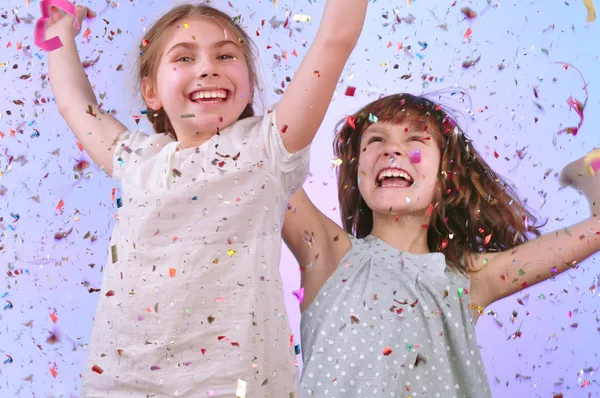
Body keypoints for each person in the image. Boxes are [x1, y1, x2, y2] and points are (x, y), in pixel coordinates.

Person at [43, 1, 367, 396]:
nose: (207, 67)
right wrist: (60, 35)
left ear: (248, 82)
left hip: (234, 384)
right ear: (151, 92)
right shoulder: (136, 159)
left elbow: (335, 41)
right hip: (122, 381)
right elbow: (74, 104)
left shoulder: (268, 149)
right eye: (184, 57)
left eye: (225, 55)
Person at [282, 93, 600, 397]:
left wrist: (591, 172)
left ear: (446, 176)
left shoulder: (468, 278)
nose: (391, 151)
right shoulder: (327, 253)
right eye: (376, 139)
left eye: (416, 140)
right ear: (358, 170)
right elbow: (263, 160)